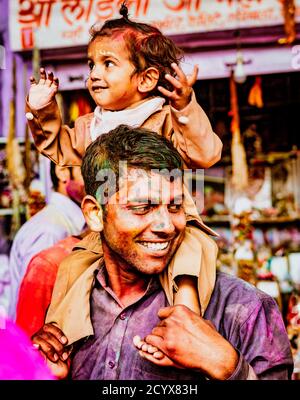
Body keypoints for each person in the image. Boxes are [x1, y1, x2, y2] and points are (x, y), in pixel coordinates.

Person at [32, 126, 293, 380]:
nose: (167, 226)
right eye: (143, 207)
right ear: (95, 214)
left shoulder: (243, 310)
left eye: (176, 206)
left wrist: (227, 366)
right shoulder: (70, 305)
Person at [25, 3, 222, 321]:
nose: (94, 75)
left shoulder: (164, 118)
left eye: (108, 64)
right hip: (104, 231)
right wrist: (42, 111)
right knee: (70, 268)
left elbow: (205, 153)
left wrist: (185, 106)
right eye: (91, 64)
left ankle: (187, 322)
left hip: (167, 224)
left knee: (191, 256)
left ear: (146, 79)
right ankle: (66, 339)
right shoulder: (92, 126)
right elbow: (59, 147)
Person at [8, 162, 86, 320]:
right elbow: (33, 311)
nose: (97, 176)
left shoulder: (69, 224)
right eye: (87, 168)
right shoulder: (50, 231)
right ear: (63, 172)